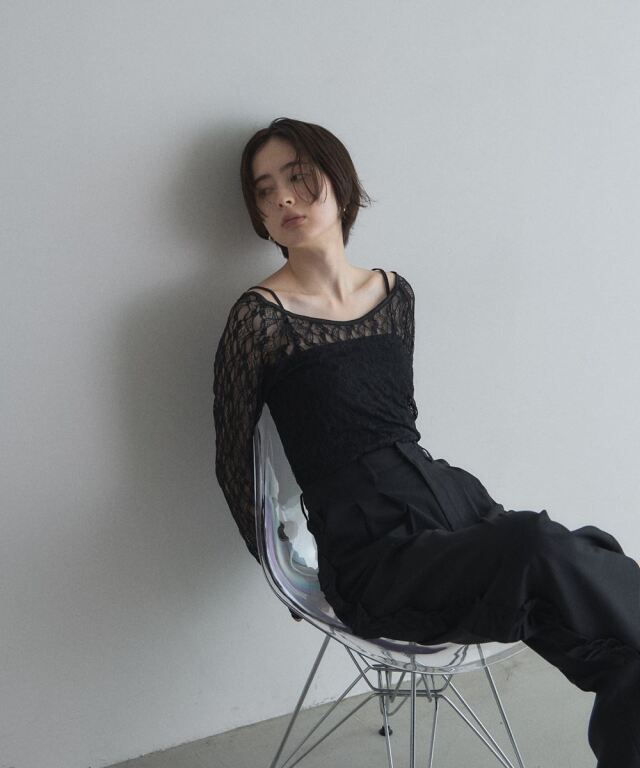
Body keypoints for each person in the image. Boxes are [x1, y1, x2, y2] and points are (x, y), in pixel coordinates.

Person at [213, 116, 640, 766]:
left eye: (297, 177)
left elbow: (397, 419)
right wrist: (280, 572)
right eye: (265, 190)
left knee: (588, 583)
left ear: (339, 182)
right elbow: (233, 460)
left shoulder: (393, 294)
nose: (283, 199)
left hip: (448, 498)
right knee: (539, 549)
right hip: (369, 550)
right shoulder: (259, 319)